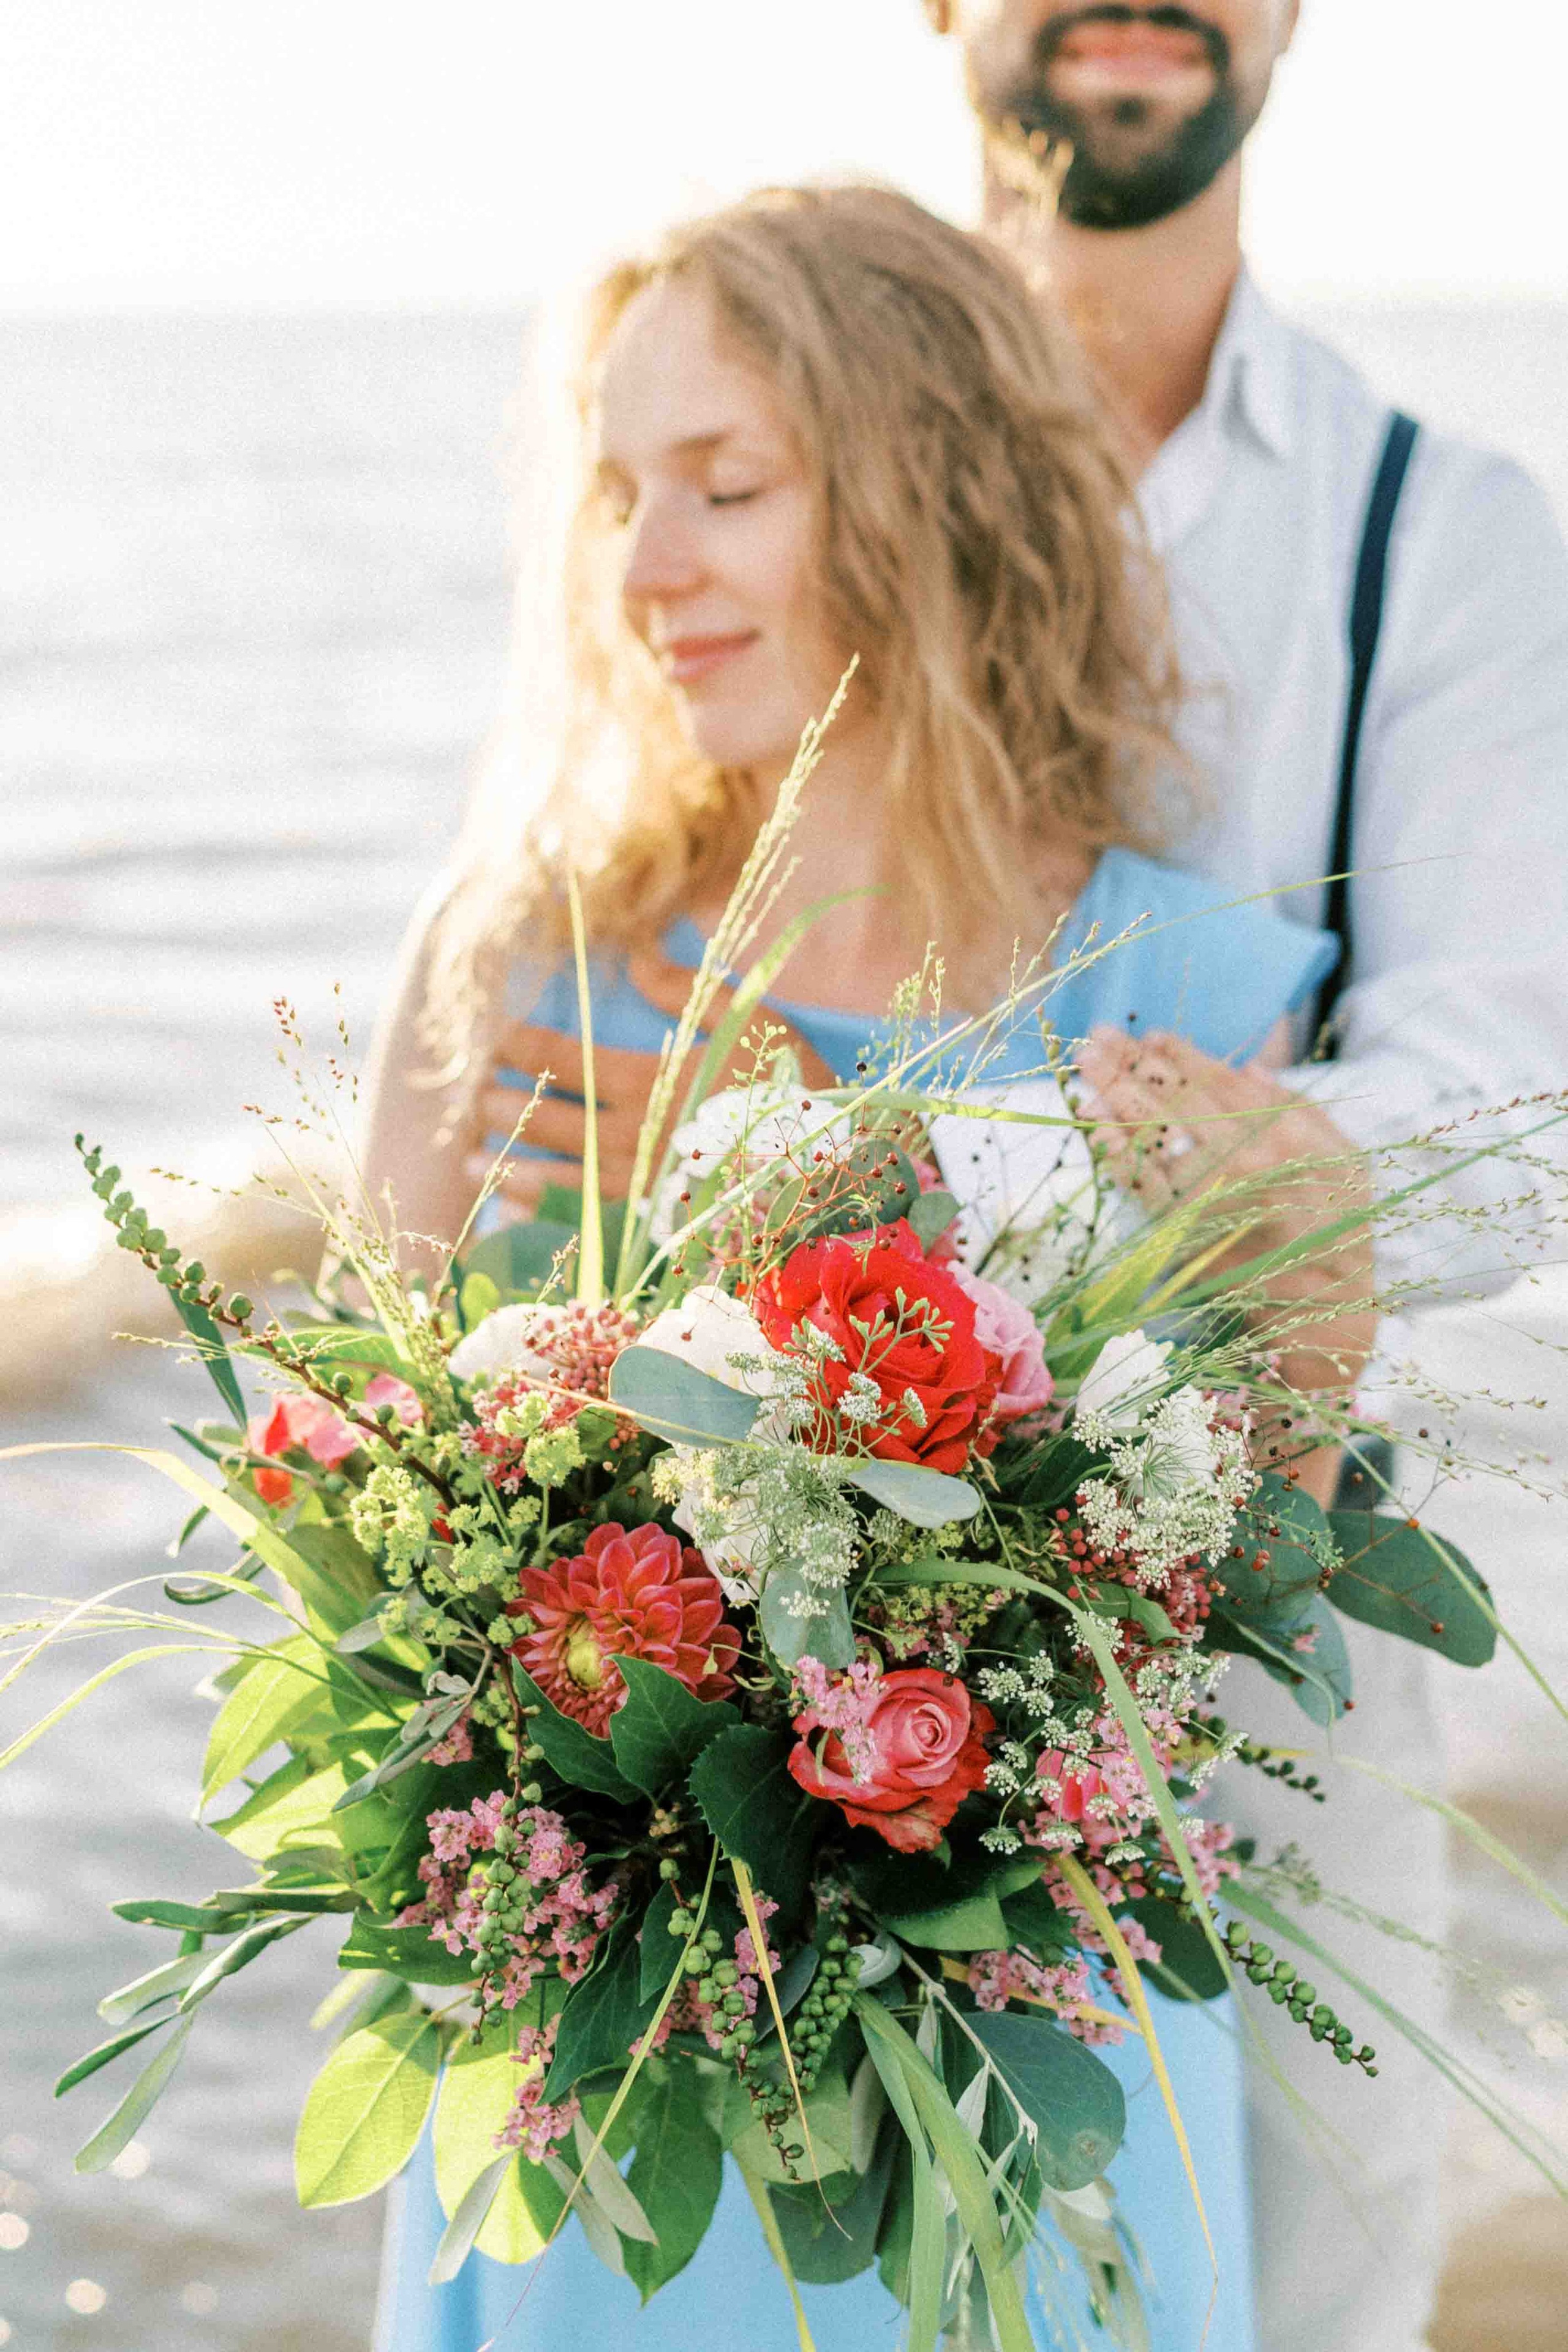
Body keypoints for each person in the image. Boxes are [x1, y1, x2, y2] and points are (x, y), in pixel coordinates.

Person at [363, 184, 1371, 2351]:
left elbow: (1233, 1666)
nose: (645, 569)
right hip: (621, 2140)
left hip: (1039, 2109)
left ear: (926, 495)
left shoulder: (1183, 993)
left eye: (725, 486)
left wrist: (1322, 1322)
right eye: (622, 494)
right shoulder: (517, 980)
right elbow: (361, 1590)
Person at [918, 7, 1568, 2350]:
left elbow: (1510, 1122)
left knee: (1306, 2277)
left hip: (1278, 1599)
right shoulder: (787, 438)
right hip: (781, 1595)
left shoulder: (1442, 523)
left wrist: (968, 1185)